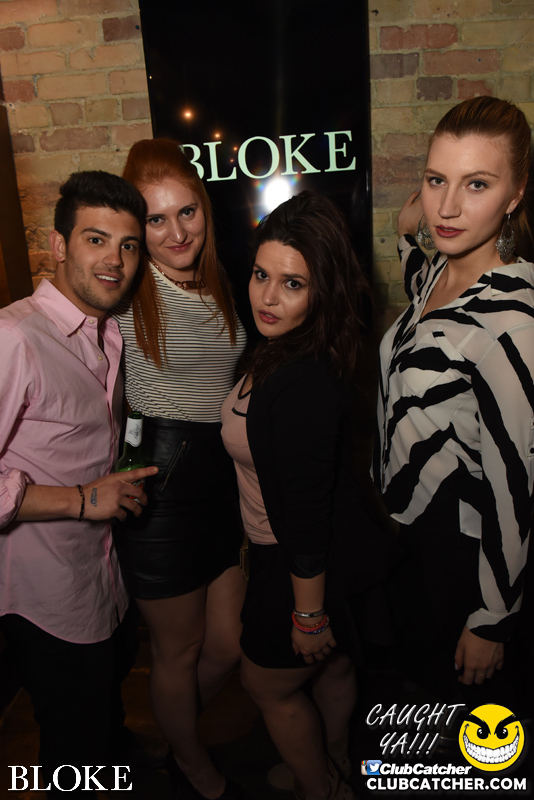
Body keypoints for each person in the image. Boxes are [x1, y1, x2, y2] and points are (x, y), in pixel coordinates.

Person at [0, 170, 158, 795]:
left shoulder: (109, 331)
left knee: (106, 709)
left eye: (127, 245)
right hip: (45, 595)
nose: (114, 260)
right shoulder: (15, 337)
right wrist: (83, 499)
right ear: (59, 245)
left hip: (102, 577)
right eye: (96, 240)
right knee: (74, 741)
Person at [374, 96, 534, 703]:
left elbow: (516, 482)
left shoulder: (512, 322)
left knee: (472, 729)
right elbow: (420, 281)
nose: (447, 207)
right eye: (436, 179)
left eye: (477, 184)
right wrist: (405, 232)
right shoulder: (439, 274)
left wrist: (494, 616)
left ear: (515, 195)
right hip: (410, 539)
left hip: (463, 555)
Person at [221, 190, 371, 800]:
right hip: (306, 554)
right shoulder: (280, 346)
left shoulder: (301, 381)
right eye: (261, 275)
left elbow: (305, 516)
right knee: (334, 667)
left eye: (292, 284)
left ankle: (321, 789)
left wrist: (308, 615)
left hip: (296, 563)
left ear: (322, 292)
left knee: (265, 686)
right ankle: (334, 763)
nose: (267, 297)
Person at [113, 139, 248, 800]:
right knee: (179, 650)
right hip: (157, 485)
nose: (176, 233)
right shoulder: (131, 287)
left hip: (221, 482)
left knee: (229, 642)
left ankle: (175, 735)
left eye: (186, 212)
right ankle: (192, 765)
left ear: (204, 209)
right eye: (156, 220)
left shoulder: (220, 282)